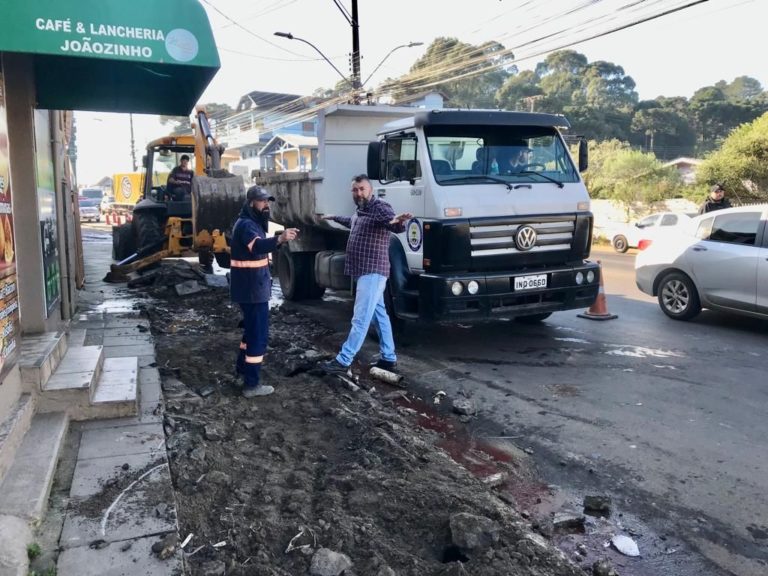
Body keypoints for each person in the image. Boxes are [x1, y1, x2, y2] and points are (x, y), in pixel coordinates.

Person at [319, 174, 412, 376]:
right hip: (364, 271)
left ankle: (343, 360)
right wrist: (334, 218)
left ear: (370, 189)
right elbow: (352, 222)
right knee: (379, 317)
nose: (359, 193)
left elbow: (392, 223)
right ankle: (388, 358)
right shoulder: (361, 211)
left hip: (373, 272)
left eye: (362, 189)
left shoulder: (380, 207)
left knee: (360, 319)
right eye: (355, 189)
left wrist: (399, 222)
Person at [231, 185, 298, 398]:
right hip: (252, 290)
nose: (266, 205)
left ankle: (242, 370)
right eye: (262, 201)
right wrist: (279, 239)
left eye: (267, 201)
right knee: (258, 336)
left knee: (250, 332)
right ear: (251, 203)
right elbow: (257, 247)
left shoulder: (251, 222)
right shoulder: (247, 225)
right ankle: (252, 384)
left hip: (252, 288)